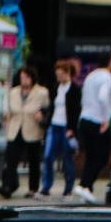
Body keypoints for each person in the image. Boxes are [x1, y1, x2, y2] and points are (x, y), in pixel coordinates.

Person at [0, 63, 48, 198]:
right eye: (21, 77)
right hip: (15, 128)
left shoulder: (42, 92)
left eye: (26, 77)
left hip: (32, 128)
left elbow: (47, 108)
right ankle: (8, 185)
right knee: (11, 157)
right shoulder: (13, 92)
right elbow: (7, 109)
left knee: (33, 159)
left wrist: (42, 114)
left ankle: (33, 188)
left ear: (32, 78)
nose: (23, 79)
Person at [75, 53, 111, 200]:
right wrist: (106, 118)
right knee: (102, 157)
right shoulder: (108, 77)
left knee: (91, 155)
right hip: (97, 121)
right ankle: (84, 184)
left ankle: (87, 189)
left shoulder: (91, 76)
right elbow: (103, 97)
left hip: (84, 119)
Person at [42, 58, 81, 196]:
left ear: (68, 73)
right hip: (54, 125)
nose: (58, 76)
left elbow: (76, 111)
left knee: (67, 158)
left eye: (61, 73)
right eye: (57, 73)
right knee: (48, 156)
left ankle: (68, 188)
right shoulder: (55, 87)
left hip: (66, 127)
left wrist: (72, 129)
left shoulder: (75, 90)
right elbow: (52, 106)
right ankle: (46, 187)